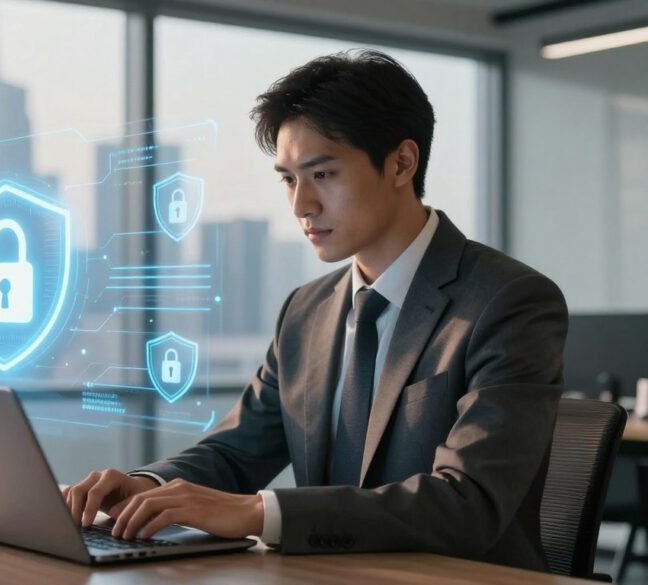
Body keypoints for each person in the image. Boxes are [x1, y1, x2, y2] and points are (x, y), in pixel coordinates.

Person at [62, 49, 567, 572]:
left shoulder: (508, 301)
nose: (301, 204)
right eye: (287, 178)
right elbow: (239, 451)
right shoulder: (306, 311)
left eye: (321, 174)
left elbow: (469, 505)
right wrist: (149, 485)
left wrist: (260, 513)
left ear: (401, 163)